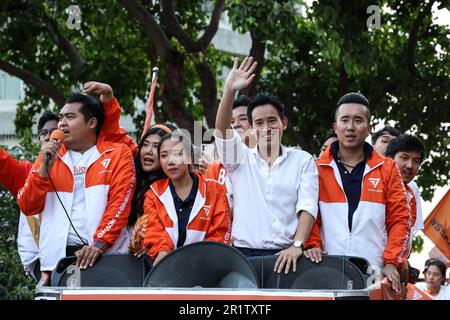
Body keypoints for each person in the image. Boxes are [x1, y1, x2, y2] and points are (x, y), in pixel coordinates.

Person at [214, 56, 319, 274]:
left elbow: (308, 206)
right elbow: (222, 130)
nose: (266, 128)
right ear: (251, 127)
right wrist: (229, 91)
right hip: (244, 256)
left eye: (272, 120)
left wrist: (297, 245)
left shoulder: (303, 160)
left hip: (288, 256)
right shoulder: (239, 160)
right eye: (259, 123)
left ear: (284, 123)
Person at [17, 92, 136, 281]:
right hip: (58, 262)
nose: (61, 123)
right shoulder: (47, 156)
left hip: (107, 258)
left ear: (92, 123)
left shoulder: (118, 154)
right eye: (61, 117)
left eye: (70, 117)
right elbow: (27, 206)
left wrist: (99, 244)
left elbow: (119, 206)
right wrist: (43, 170)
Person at [304, 92, 411, 293]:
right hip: (327, 269)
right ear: (335, 127)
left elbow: (400, 219)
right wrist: (312, 245)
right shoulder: (315, 168)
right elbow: (309, 214)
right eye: (344, 120)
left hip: (374, 273)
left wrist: (392, 261)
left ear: (369, 129)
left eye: (358, 120)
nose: (351, 127)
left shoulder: (387, 168)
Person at [143, 132, 232, 265]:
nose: (170, 161)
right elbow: (154, 232)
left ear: (190, 158)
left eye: (178, 154)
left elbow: (220, 232)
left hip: (207, 268)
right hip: (167, 268)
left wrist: (198, 261)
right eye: (164, 155)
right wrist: (162, 254)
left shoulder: (215, 189)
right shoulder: (153, 194)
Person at [128, 123, 176, 256]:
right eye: (145, 144)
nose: (148, 151)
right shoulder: (129, 178)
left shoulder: (172, 188)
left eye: (156, 146)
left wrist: (152, 243)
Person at [385, 134, 426, 255]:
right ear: (389, 159)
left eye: (416, 161)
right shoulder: (373, 188)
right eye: (404, 158)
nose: (410, 166)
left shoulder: (411, 195)